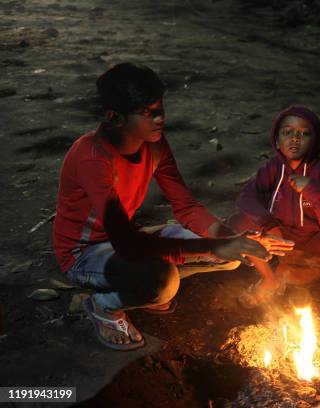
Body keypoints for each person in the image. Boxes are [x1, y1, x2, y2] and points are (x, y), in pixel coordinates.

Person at [53, 63, 293, 351]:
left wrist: (232, 240)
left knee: (229, 256)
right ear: (114, 116)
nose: (159, 118)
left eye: (160, 108)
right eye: (147, 112)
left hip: (127, 239)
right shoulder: (92, 157)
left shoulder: (154, 144)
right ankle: (105, 307)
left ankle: (142, 284)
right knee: (163, 282)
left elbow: (186, 207)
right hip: (84, 254)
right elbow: (126, 243)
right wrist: (212, 246)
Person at [229, 106, 320, 332]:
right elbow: (247, 196)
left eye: (304, 133)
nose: (295, 139)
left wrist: (312, 189)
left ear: (315, 140)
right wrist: (268, 223)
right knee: (239, 222)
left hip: (315, 240)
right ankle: (269, 280)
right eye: (287, 132)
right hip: (283, 237)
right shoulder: (274, 167)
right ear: (276, 139)